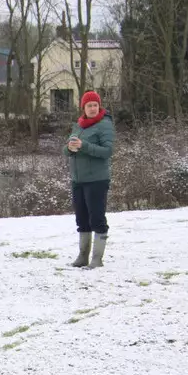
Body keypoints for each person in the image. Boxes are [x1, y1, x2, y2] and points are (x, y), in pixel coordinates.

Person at [65, 90, 114, 268]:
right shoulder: (79, 126)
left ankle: (96, 259)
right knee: (82, 219)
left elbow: (107, 151)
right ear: (83, 108)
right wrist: (69, 147)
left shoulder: (105, 124)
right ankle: (82, 256)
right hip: (78, 180)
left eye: (95, 105)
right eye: (89, 105)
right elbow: (66, 150)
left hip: (97, 180)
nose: (92, 108)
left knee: (97, 218)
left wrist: (84, 146)